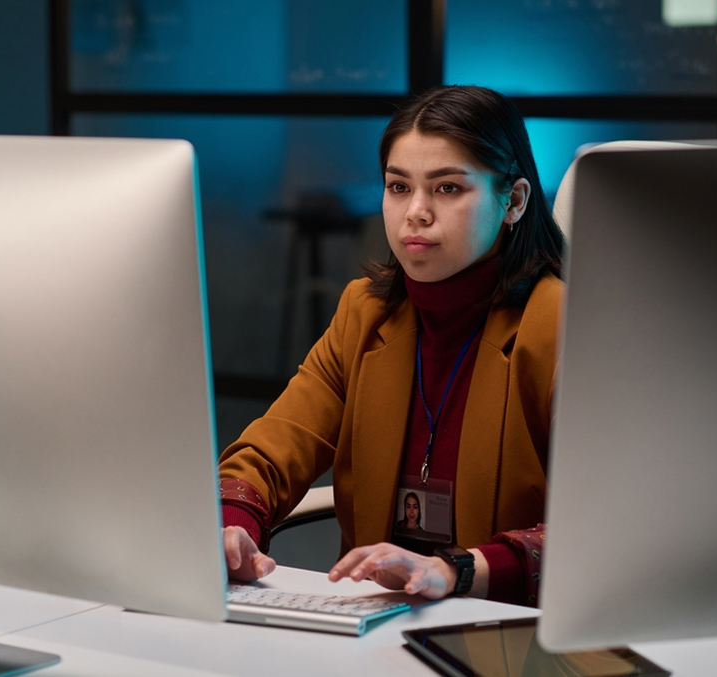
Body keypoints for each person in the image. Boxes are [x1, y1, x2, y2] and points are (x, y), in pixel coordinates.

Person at [218, 85, 565, 606]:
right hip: (378, 629)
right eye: (398, 187)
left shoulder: (559, 323)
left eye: (448, 189)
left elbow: (610, 523)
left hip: (511, 634)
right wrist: (232, 527)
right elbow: (271, 449)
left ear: (513, 201)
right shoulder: (366, 312)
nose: (416, 213)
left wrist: (456, 570)